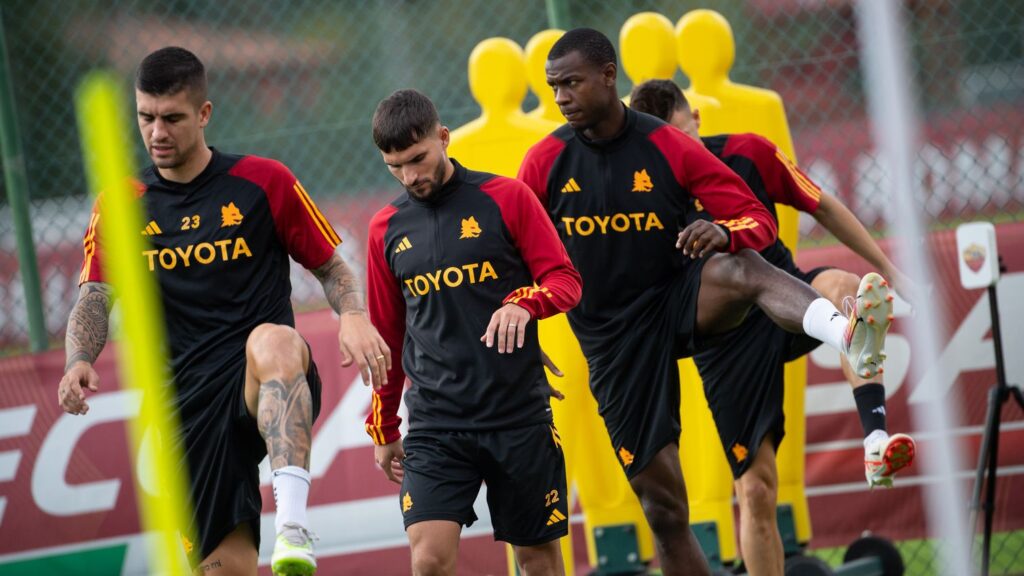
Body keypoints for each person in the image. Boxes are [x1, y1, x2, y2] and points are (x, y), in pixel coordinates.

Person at [518, 28, 895, 576]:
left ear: (608, 76)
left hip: (678, 299)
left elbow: (756, 218)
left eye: (571, 83)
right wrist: (524, 330)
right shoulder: (544, 161)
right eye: (553, 87)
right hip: (612, 341)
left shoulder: (668, 145)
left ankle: (846, 335)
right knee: (665, 512)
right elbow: (516, 258)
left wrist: (725, 232)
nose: (561, 97)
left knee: (741, 268)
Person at [57, 46, 390, 576]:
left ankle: (294, 529)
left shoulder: (265, 181)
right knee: (222, 569)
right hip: (186, 404)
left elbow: (332, 266)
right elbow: (94, 295)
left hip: (262, 379)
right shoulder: (121, 202)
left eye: (172, 118)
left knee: (275, 340)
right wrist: (78, 357)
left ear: (204, 114)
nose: (156, 132)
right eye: (145, 117)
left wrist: (352, 315)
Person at [630, 78, 916, 575]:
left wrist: (891, 271)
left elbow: (821, 204)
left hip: (792, 297)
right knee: (756, 490)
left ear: (696, 119)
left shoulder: (749, 153)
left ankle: (875, 441)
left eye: (682, 136)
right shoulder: (645, 192)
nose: (678, 152)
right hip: (727, 343)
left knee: (848, 286)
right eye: (665, 144)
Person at [364, 89, 582, 576]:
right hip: (437, 425)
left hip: (518, 415)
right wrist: (384, 428)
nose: (410, 176)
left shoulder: (507, 197)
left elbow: (565, 281)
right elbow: (386, 336)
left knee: (538, 563)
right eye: (395, 166)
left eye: (418, 158)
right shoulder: (385, 228)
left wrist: (525, 304)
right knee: (428, 561)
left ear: (443, 138)